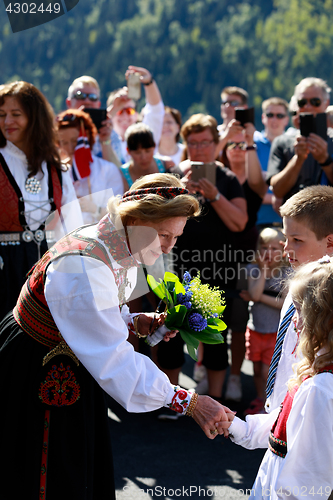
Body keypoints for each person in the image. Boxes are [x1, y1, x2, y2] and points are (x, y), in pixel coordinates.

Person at [0, 172, 232, 500]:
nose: (169, 247)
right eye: (164, 235)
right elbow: (114, 361)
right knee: (49, 473)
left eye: (176, 237)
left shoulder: (111, 240)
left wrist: (133, 320)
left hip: (69, 362)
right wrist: (189, 401)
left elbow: (94, 311)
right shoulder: (84, 266)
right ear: (135, 219)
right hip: (39, 370)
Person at [217, 257, 333, 499]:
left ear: (324, 319)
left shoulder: (321, 387)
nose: (294, 320)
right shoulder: (315, 373)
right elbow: (286, 428)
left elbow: (308, 479)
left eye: (301, 311)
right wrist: (239, 426)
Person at [174, 113, 248, 402]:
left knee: (216, 338)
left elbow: (239, 222)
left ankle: (214, 401)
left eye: (205, 142)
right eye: (193, 143)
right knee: (171, 335)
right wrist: (183, 193)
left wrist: (215, 196)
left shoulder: (227, 179)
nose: (199, 149)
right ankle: (172, 402)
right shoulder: (177, 176)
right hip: (180, 267)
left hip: (218, 268)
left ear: (216, 144)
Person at [0, 81, 82, 321]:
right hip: (4, 266)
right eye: (2, 114)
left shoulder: (55, 166)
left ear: (34, 117)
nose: (7, 122)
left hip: (47, 269)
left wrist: (76, 270)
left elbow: (72, 224)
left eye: (16, 114)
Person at [264, 185, 333, 414]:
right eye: (286, 238)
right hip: (283, 412)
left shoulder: (327, 300)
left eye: (296, 240)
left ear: (330, 242)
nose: (286, 249)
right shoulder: (299, 282)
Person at [220, 125, 267, 402]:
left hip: (241, 258)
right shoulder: (217, 177)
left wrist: (249, 141)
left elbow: (261, 185)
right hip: (212, 256)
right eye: (232, 145)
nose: (237, 150)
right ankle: (205, 368)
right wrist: (224, 137)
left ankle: (235, 376)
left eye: (244, 146)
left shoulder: (252, 182)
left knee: (238, 320)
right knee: (208, 316)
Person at [239, 228, 287, 415]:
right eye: (265, 247)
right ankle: (261, 397)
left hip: (274, 331)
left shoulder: (286, 273)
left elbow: (283, 303)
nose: (269, 252)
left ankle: (271, 402)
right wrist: (264, 270)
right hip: (255, 329)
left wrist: (258, 298)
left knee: (269, 371)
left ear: (283, 251)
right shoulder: (254, 270)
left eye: (275, 248)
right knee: (257, 370)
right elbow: (256, 292)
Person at [267, 77, 333, 202]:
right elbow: (277, 191)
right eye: (302, 102)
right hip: (295, 218)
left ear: (326, 103)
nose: (308, 107)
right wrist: (297, 160)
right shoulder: (282, 142)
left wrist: (325, 160)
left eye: (315, 101)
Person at [56, 108, 124, 223]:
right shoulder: (56, 172)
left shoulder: (108, 170)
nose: (70, 147)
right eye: (64, 142)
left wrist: (95, 209)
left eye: (75, 141)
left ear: (86, 137)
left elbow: (119, 216)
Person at [106, 65, 165, 164]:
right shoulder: (103, 138)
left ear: (136, 114)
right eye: (120, 111)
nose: (125, 116)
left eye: (129, 111)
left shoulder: (146, 134)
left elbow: (156, 110)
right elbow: (94, 129)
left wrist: (149, 83)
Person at [66, 75, 119, 165]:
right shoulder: (59, 130)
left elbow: (118, 173)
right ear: (69, 102)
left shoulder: (110, 133)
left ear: (98, 104)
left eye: (93, 97)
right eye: (80, 95)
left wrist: (105, 140)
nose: (87, 101)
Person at [254, 97, 289, 228]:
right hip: (257, 220)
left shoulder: (295, 145)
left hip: (288, 222)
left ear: (286, 119)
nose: (274, 120)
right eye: (270, 115)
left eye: (279, 115)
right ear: (263, 117)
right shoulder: (251, 144)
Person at [120, 122, 174, 190]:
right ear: (128, 150)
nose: (143, 157)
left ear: (154, 146)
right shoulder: (122, 175)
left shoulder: (167, 165)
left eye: (147, 151)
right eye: (137, 153)